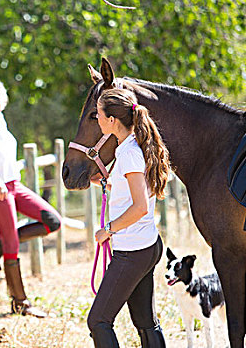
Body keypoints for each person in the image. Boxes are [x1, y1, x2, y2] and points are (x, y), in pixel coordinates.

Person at [0, 80, 62, 318]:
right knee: (13, 248)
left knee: (53, 221)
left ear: (4, 102)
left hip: (15, 186)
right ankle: (20, 303)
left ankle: (0, 242)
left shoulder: (2, 123)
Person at [87, 88, 170, 348]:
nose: (97, 120)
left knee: (98, 321)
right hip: (145, 246)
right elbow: (135, 192)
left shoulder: (130, 153)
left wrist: (108, 230)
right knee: (145, 322)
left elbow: (140, 207)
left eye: (98, 115)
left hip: (133, 250)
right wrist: (108, 185)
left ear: (112, 120)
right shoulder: (131, 147)